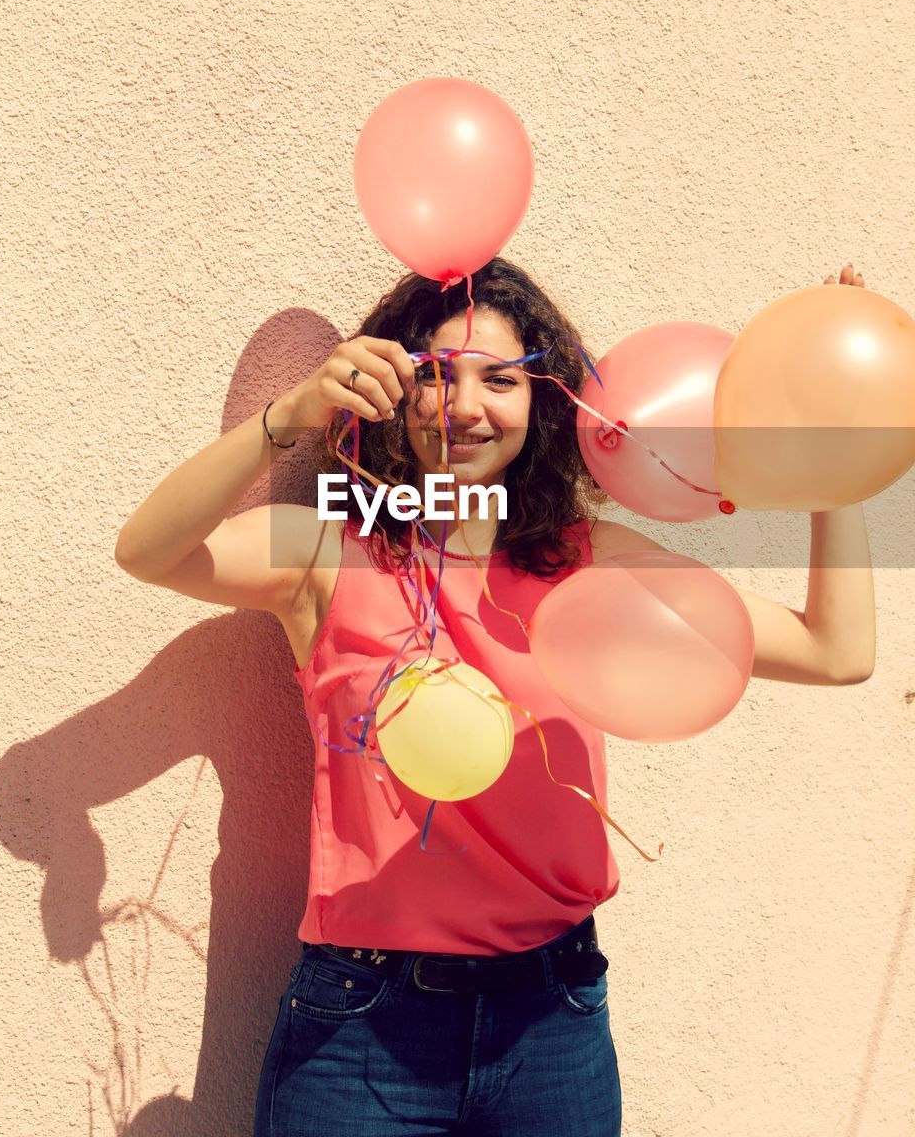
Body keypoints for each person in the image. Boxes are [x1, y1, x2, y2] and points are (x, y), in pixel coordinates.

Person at [114, 257, 875, 1137]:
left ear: (541, 400)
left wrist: (837, 460)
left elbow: (836, 651)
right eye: (434, 375)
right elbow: (149, 552)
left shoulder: (589, 559)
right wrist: (288, 417)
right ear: (390, 392)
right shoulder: (330, 549)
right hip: (363, 1025)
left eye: (501, 380)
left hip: (551, 1025)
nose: (466, 405)